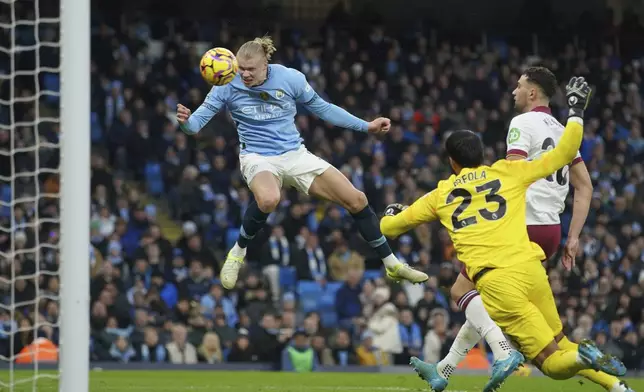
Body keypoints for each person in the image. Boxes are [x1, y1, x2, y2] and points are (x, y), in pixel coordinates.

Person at [379, 77, 626, 392]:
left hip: (506, 260)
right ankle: (616, 386)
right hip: (534, 254)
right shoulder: (508, 172)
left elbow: (391, 227)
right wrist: (576, 111)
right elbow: (567, 156)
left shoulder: (442, 193)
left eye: (520, 85)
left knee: (549, 361)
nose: (514, 90)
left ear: (452, 162)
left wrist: (390, 213)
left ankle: (508, 352)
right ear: (482, 155)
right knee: (557, 339)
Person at [176, 36, 427, 289]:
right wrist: (186, 122)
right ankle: (237, 253)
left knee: (357, 200)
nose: (244, 74)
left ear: (266, 65)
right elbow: (195, 125)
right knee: (269, 199)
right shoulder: (226, 85)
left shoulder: (290, 78)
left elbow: (324, 109)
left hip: (295, 154)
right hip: (257, 156)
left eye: (250, 69)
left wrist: (366, 126)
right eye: (241, 68)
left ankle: (392, 264)